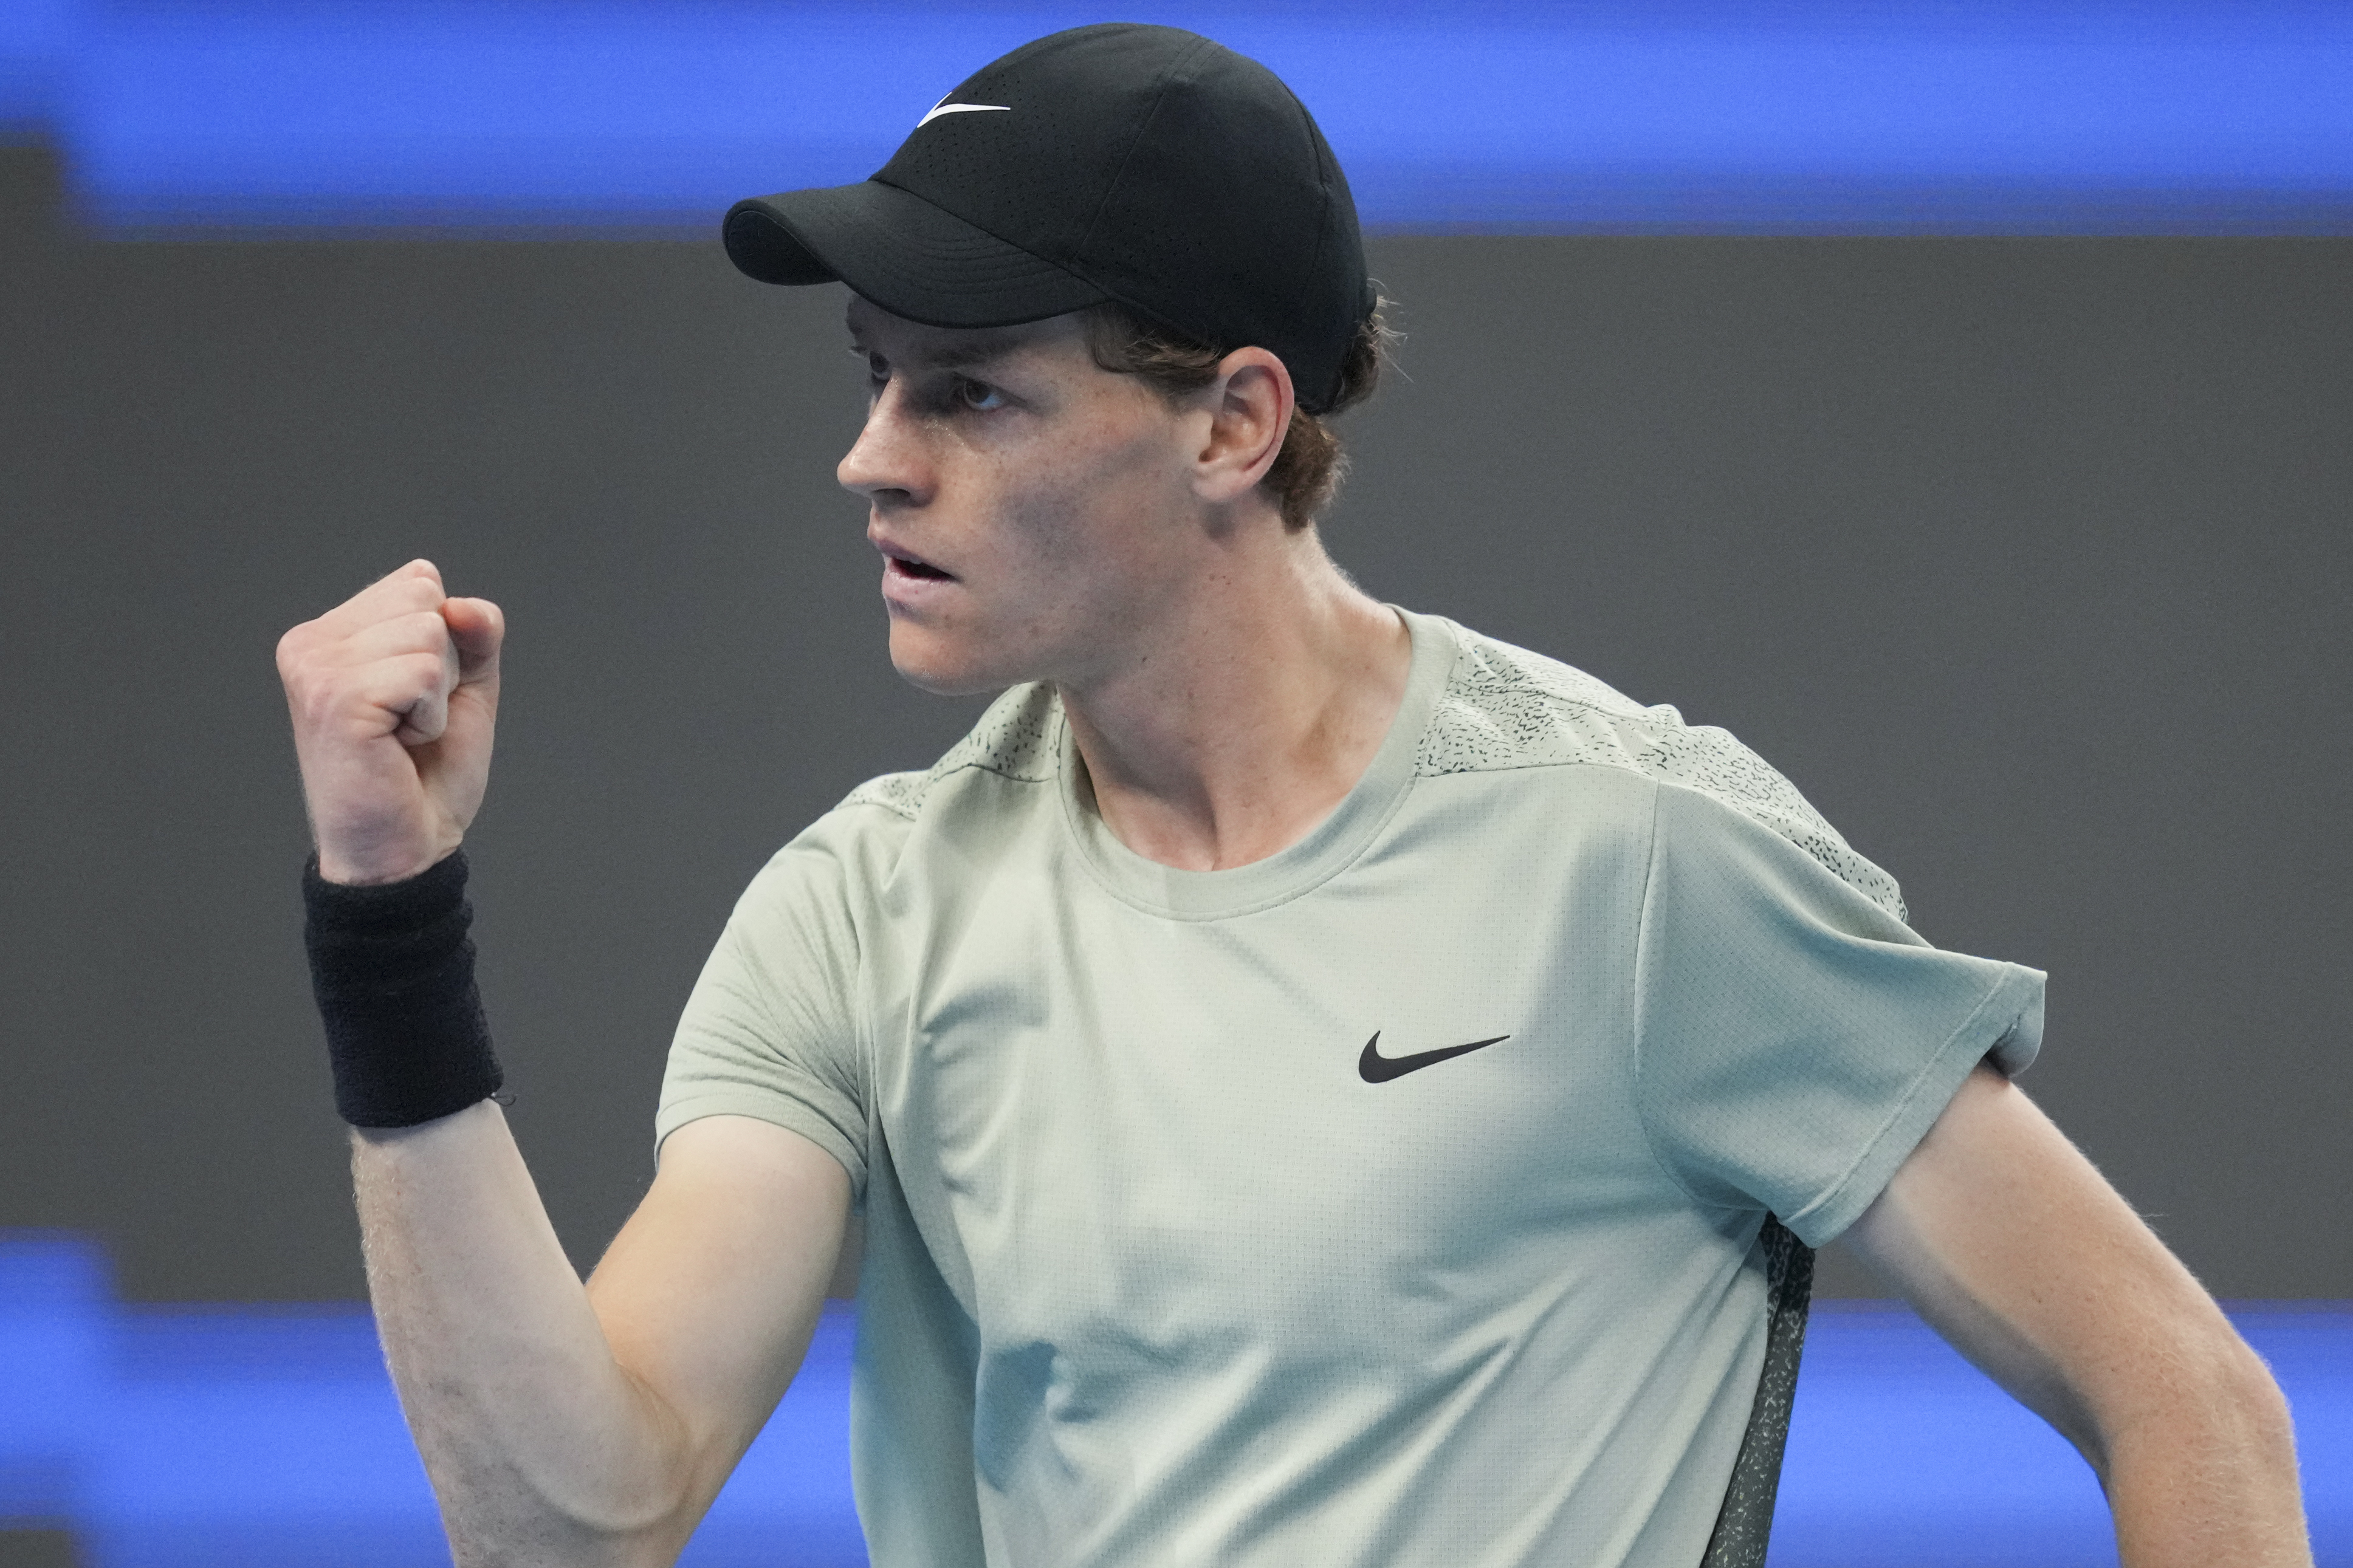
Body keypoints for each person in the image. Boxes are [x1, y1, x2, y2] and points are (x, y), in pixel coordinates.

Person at [273, 22, 2309, 1568]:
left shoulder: (1640, 861)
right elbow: (582, 1514)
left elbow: (2185, 1394)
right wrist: (387, 916)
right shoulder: (861, 916)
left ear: (1235, 421)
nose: (875, 460)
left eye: (970, 391)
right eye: (874, 380)